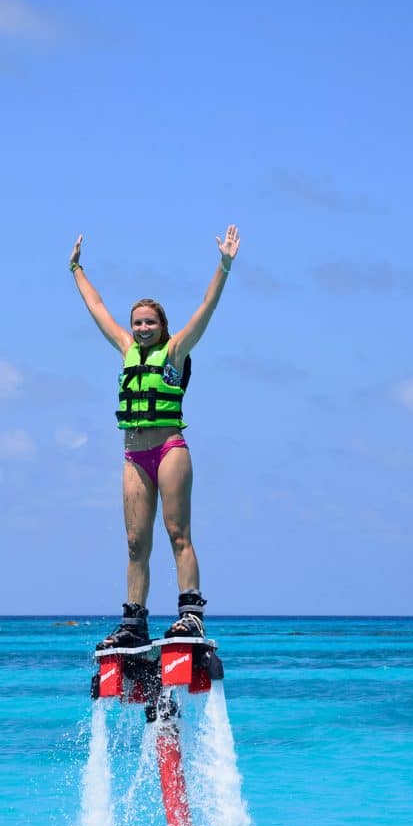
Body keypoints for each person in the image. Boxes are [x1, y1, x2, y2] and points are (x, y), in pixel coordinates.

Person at [69, 225, 240, 649]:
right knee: (134, 543)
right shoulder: (126, 349)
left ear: (162, 325)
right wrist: (75, 268)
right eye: (138, 322)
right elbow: (97, 306)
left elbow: (206, 307)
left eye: (150, 322)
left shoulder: (176, 350)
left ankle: (191, 615)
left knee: (177, 531)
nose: (143, 328)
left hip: (168, 450)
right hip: (133, 455)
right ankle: (134, 622)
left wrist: (224, 265)